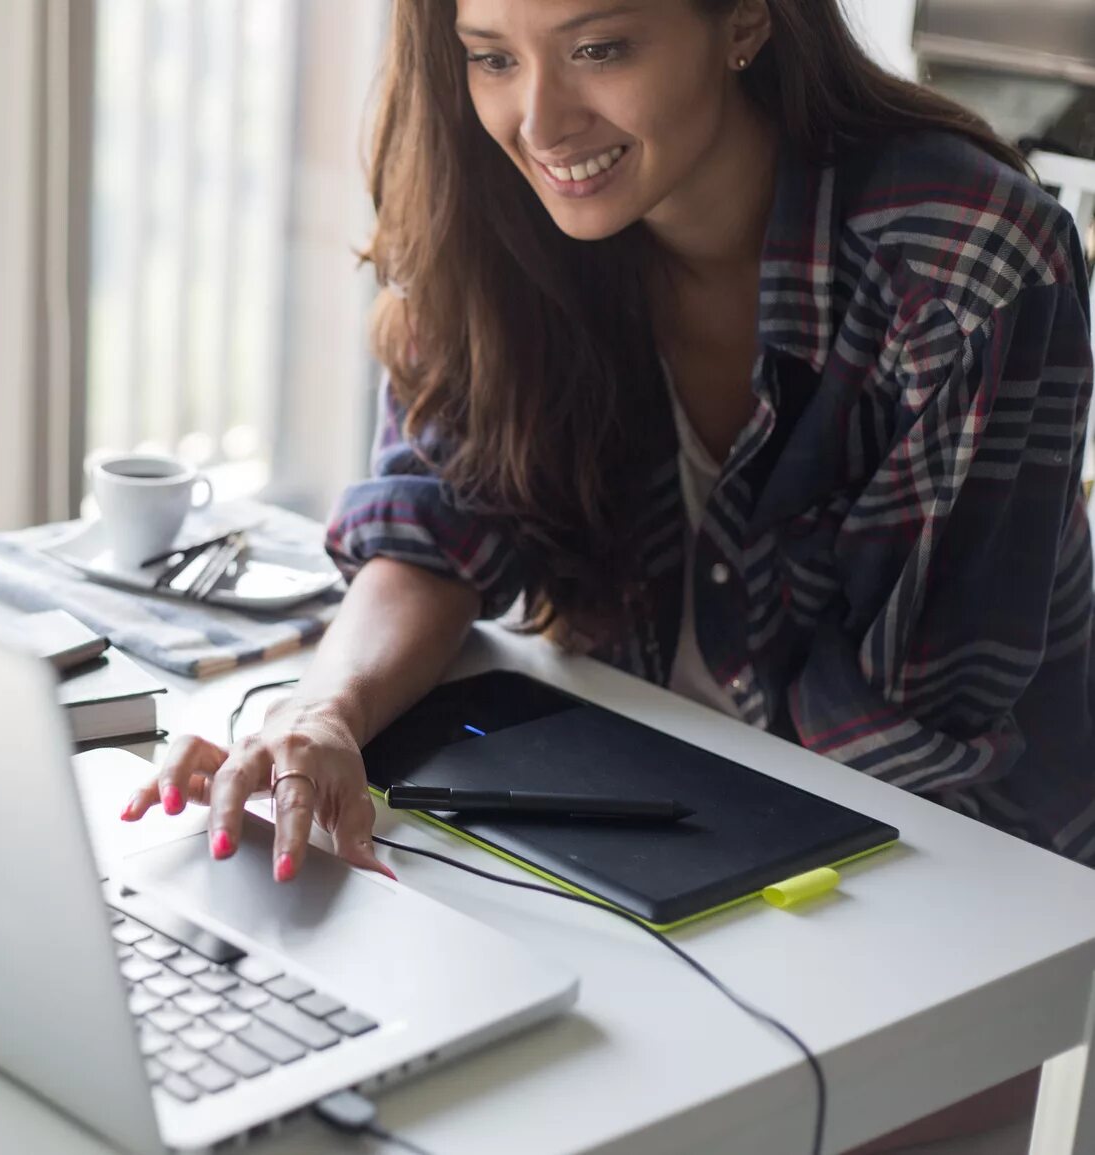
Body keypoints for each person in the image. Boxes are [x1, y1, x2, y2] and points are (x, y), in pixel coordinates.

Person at [125, 0, 1094, 1145]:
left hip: (936, 873)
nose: (536, 119)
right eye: (489, 59)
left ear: (741, 24)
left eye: (598, 49)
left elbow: (910, 731)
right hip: (630, 812)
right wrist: (321, 713)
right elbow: (437, 520)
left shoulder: (958, 251)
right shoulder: (493, 209)